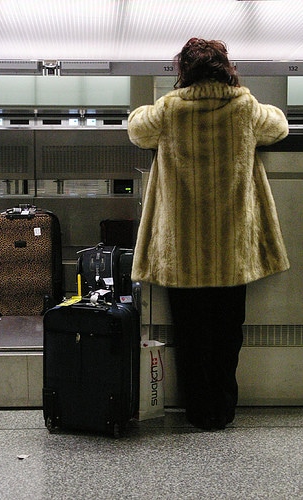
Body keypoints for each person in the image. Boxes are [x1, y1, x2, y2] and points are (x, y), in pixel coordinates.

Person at [127, 38, 290, 430]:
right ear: (226, 69)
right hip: (232, 247)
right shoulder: (245, 108)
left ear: (183, 71)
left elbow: (136, 128)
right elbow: (280, 126)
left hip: (181, 250)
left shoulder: (168, 111)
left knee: (191, 334)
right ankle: (223, 410)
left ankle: (198, 411)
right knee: (227, 332)